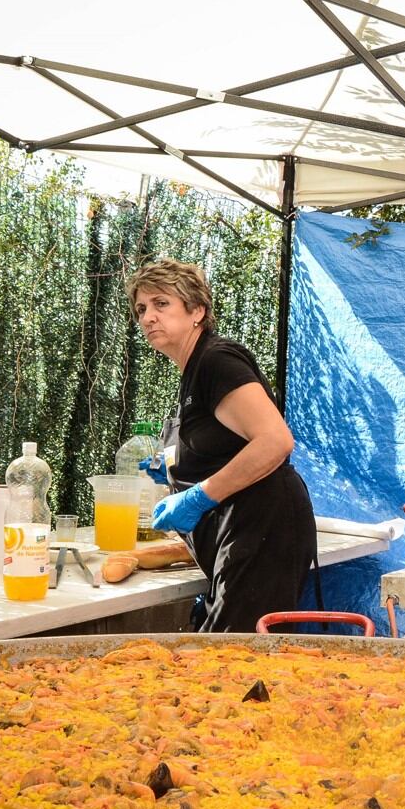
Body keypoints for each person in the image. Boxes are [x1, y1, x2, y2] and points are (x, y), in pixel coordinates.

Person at [126, 258, 316, 633]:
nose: (148, 317)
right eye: (141, 309)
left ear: (197, 310)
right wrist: (175, 467)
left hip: (262, 525)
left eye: (161, 304)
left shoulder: (216, 361)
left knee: (235, 658)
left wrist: (198, 496)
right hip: (237, 532)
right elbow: (222, 442)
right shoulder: (193, 369)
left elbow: (275, 441)